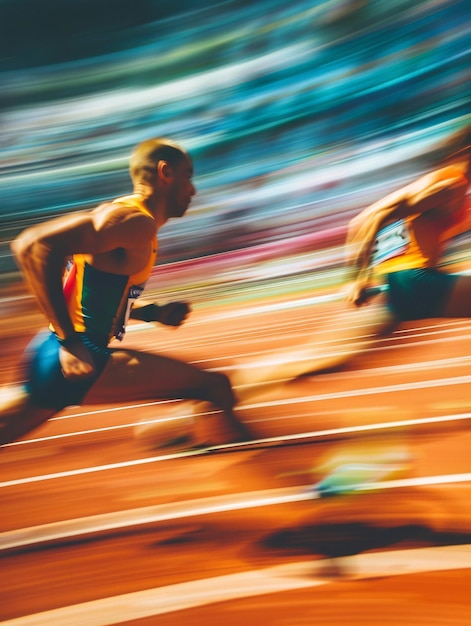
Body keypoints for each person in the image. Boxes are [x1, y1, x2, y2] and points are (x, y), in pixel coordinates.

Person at [0, 138, 249, 447]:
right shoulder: (135, 221)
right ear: (165, 172)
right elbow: (32, 246)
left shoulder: (132, 221)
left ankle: (197, 442)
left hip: (54, 355)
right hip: (78, 356)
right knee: (215, 386)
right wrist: (71, 342)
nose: (193, 189)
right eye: (188, 176)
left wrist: (152, 312)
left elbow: (92, 290)